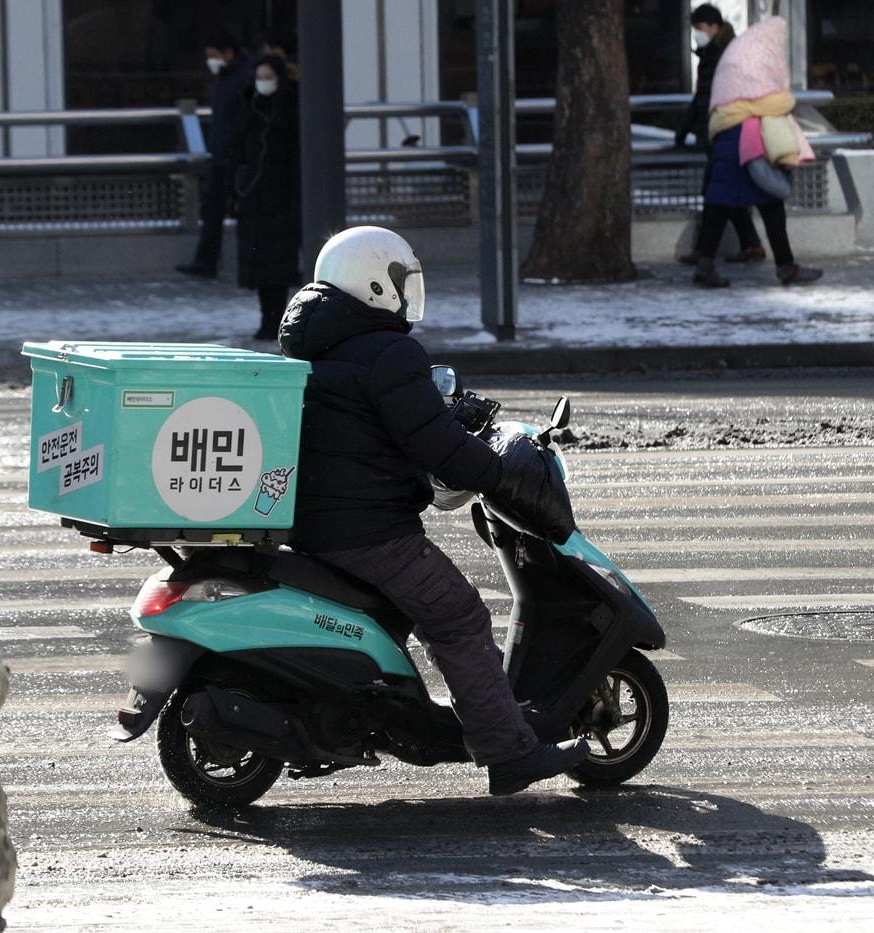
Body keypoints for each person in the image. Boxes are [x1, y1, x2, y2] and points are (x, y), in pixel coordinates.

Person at [278, 226, 590, 796]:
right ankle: (507, 751)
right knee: (458, 614)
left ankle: (432, 718)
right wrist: (499, 473)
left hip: (316, 523)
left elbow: (384, 428)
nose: (403, 293)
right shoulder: (389, 352)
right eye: (398, 280)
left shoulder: (318, 344)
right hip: (369, 530)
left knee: (419, 612)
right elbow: (435, 446)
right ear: (372, 280)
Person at [692, 16, 821, 288]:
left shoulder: (735, 57)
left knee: (722, 204)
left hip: (729, 136)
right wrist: (788, 100)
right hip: (750, 139)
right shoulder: (755, 64)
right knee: (768, 203)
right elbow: (773, 101)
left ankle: (706, 266)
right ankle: (785, 267)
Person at [676, 4, 764, 267]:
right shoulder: (715, 53)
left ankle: (704, 253)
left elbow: (707, 99)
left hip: (725, 134)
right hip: (722, 133)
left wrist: (686, 129)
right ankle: (752, 245)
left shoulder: (722, 55)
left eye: (699, 29)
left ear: (714, 27)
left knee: (715, 193)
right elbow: (702, 98)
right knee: (729, 193)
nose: (697, 35)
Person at [176, 31, 253, 279]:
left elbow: (241, 121)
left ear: (227, 53)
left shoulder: (241, 78)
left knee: (235, 211)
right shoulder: (228, 77)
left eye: (213, 55)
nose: (211, 61)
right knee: (213, 211)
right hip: (220, 155)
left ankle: (239, 264)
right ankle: (207, 262)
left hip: (234, 156)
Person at [235, 55, 301, 340]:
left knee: (277, 266)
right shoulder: (250, 106)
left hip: (279, 196)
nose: (262, 82)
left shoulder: (289, 107)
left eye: (267, 75)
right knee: (262, 266)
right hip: (256, 196)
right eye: (258, 76)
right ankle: (268, 318)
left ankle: (277, 318)